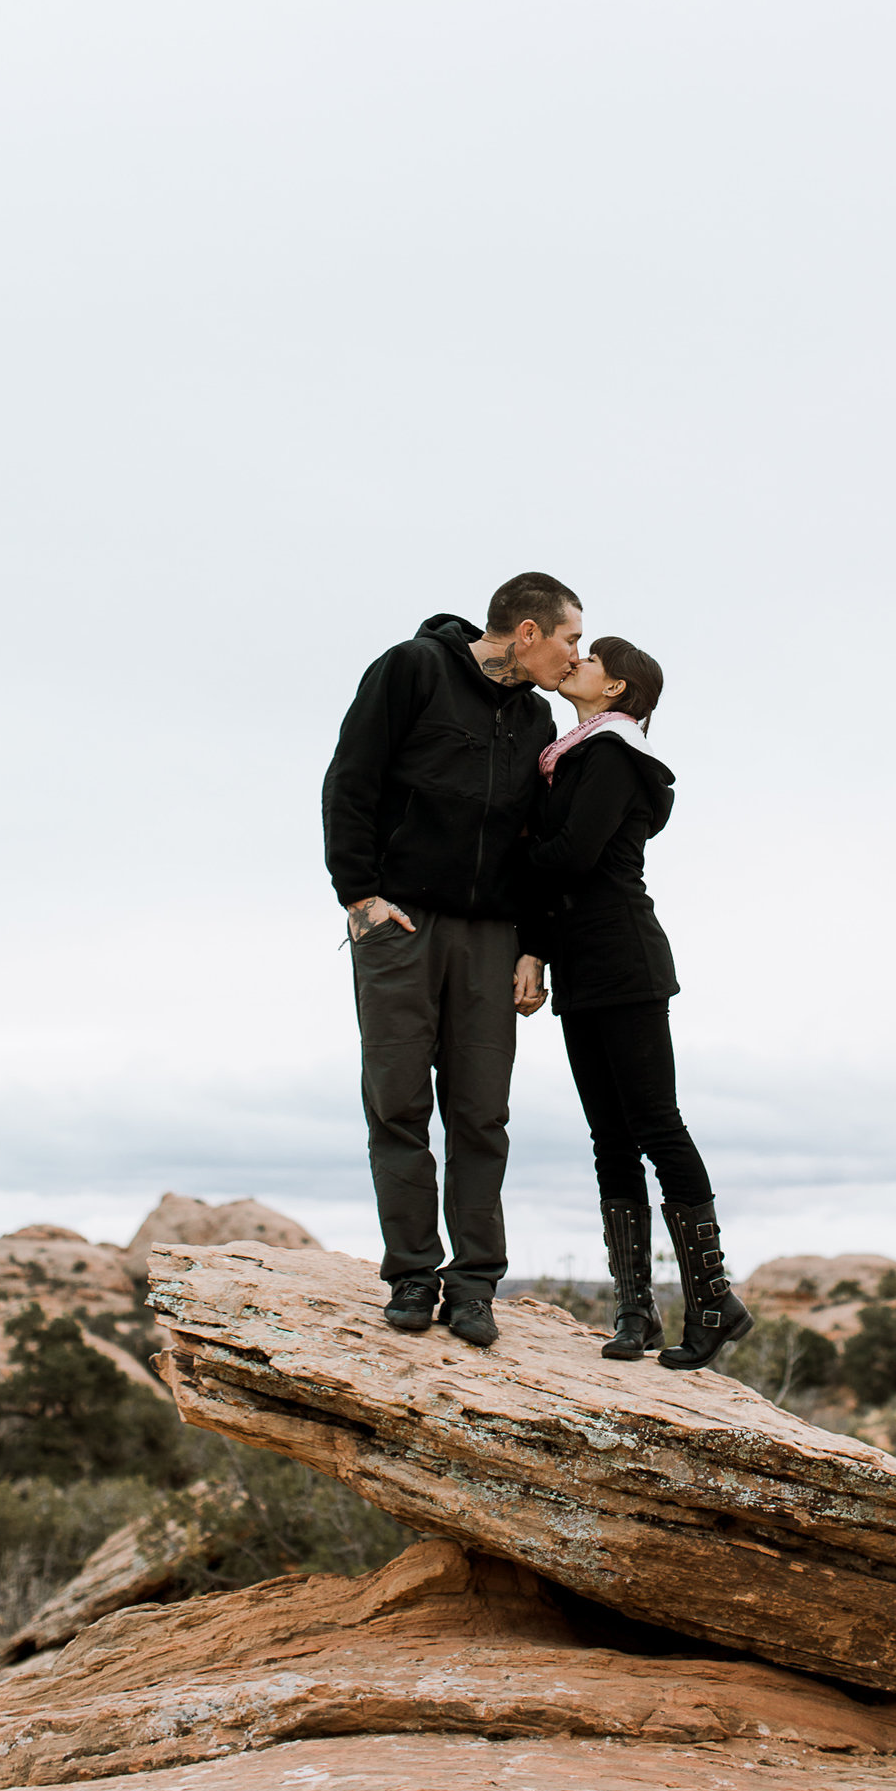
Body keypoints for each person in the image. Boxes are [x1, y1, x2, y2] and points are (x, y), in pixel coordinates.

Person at [322, 573, 581, 1348]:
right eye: (569, 637)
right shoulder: (412, 669)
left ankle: (473, 1286)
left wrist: (535, 945)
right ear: (527, 632)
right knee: (397, 1102)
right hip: (401, 921)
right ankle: (411, 1274)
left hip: (492, 937)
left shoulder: (536, 717)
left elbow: (539, 845)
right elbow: (351, 779)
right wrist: (359, 895)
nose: (576, 654)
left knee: (480, 1113)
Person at [528, 635, 754, 1367]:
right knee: (609, 1138)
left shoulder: (617, 755)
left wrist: (494, 846)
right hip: (583, 966)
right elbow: (558, 869)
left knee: (657, 1123)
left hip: (625, 959)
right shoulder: (575, 754)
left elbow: (571, 856)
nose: (577, 664)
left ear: (616, 688)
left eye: (590, 658)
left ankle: (714, 1300)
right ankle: (636, 1311)